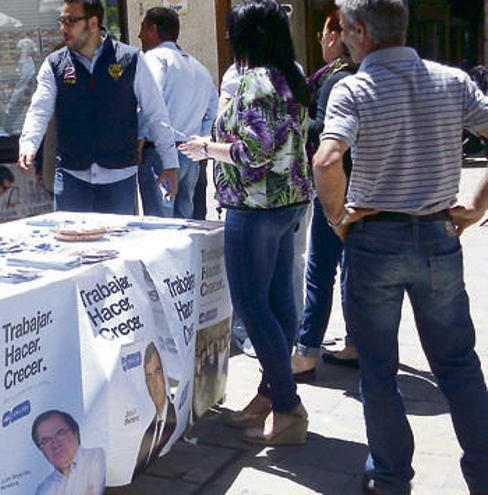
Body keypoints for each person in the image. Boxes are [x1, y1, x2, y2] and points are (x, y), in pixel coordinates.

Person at [315, 0, 488, 492]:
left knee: (379, 371)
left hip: (376, 242)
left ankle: (391, 479)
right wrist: (475, 207)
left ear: (362, 31)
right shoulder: (450, 81)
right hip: (437, 235)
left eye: (346, 29)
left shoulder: (354, 89)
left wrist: (338, 218)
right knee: (457, 363)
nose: (343, 38)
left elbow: (326, 161)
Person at [179, 0, 311, 446]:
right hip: (288, 205)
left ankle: (288, 406)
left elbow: (255, 153)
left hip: (255, 209)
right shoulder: (290, 74)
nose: (230, 42)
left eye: (233, 34)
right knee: (278, 305)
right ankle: (269, 395)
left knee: (253, 308)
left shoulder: (254, 80)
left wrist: (207, 147)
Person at [18, 0, 179, 215]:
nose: (63, 28)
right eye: (61, 21)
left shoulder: (130, 60)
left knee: (118, 247)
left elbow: (156, 114)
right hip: (71, 178)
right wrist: (28, 145)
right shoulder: (55, 64)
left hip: (119, 178)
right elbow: (39, 109)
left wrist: (170, 164)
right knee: (71, 246)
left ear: (93, 23)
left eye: (70, 21)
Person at [291, 9, 359, 382]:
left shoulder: (337, 82)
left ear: (334, 37)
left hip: (336, 188)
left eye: (322, 33)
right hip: (359, 186)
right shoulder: (357, 77)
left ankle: (306, 353)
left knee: (320, 271)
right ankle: (356, 342)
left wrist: (300, 117)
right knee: (351, 269)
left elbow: (325, 136)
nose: (319, 39)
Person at [136, 7, 218, 219]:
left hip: (159, 153)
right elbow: (212, 112)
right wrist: (200, 143)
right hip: (191, 155)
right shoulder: (199, 67)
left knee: (161, 226)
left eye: (143, 28)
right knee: (185, 222)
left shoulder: (154, 59)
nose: (139, 35)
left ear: (153, 29)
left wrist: (139, 138)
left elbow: (150, 102)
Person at [31, 410, 105, 495]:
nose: (55, 444)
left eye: (60, 434)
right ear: (42, 451)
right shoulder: (44, 490)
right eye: (46, 441)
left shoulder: (96, 457)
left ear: (75, 433)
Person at [134, 342, 177, 476]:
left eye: (157, 372)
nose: (154, 383)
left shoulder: (174, 418)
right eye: (148, 376)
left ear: (164, 374)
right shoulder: (149, 429)